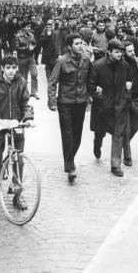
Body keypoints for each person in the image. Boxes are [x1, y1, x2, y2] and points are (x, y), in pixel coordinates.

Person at [0, 55, 33, 207]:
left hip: (16, 125)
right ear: (2, 68)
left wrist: (28, 118)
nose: (11, 71)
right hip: (0, 125)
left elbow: (25, 102)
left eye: (14, 68)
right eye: (8, 68)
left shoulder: (21, 82)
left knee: (18, 160)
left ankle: (17, 194)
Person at [48, 33, 92, 182]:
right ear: (69, 47)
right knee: (67, 134)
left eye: (81, 43)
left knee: (77, 136)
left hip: (80, 102)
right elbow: (52, 82)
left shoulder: (86, 60)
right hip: (65, 102)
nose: (80, 46)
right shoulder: (61, 61)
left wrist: (91, 95)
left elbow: (90, 80)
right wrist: (52, 101)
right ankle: (70, 166)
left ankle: (69, 160)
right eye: (77, 44)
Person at [89, 40, 133, 177]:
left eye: (121, 52)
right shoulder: (98, 65)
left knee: (118, 135)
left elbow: (129, 82)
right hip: (103, 107)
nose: (120, 54)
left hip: (119, 106)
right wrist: (97, 93)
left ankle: (115, 165)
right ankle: (97, 144)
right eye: (117, 52)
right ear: (109, 52)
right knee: (100, 132)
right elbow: (91, 85)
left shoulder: (125, 65)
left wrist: (126, 95)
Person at [123, 41, 138, 142]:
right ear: (124, 53)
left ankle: (125, 142)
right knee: (123, 125)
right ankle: (125, 146)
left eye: (133, 50)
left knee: (136, 125)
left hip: (136, 99)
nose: (133, 52)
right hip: (123, 99)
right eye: (129, 51)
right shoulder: (120, 64)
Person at [15, 21, 39, 100]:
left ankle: (34, 92)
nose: (29, 28)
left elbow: (35, 43)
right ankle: (24, 92)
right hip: (22, 58)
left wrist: (33, 46)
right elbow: (17, 47)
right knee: (23, 76)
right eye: (28, 27)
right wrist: (27, 49)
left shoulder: (31, 35)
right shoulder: (18, 36)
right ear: (23, 28)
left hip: (31, 58)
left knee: (34, 74)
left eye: (29, 27)